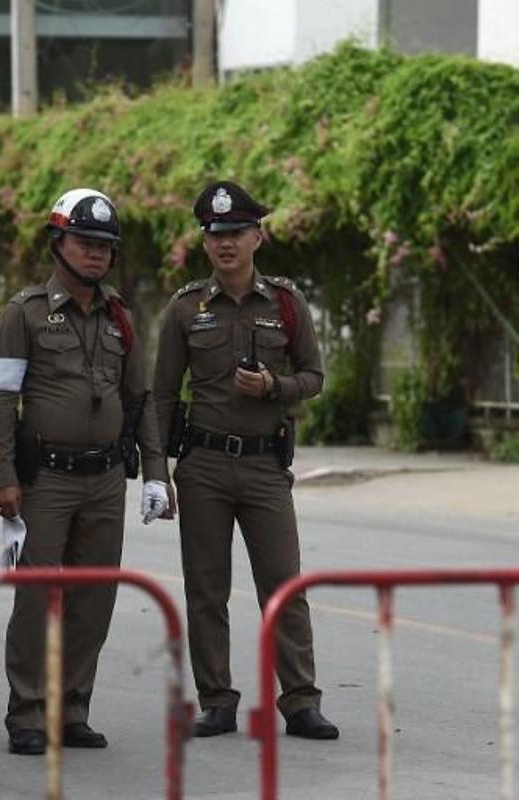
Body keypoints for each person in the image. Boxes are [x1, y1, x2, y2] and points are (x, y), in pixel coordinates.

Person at [151, 180, 339, 740]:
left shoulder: (285, 302)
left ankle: (300, 700)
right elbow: (162, 396)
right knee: (206, 591)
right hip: (203, 465)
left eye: (236, 232)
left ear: (258, 236)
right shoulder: (185, 308)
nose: (226, 243)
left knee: (283, 586)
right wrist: (157, 473)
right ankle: (217, 700)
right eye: (216, 234)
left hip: (264, 466)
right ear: (204, 241)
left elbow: (314, 377)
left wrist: (274, 386)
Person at [0, 188, 171, 756]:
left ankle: (71, 709)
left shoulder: (120, 317)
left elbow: (139, 400)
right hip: (46, 479)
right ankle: (26, 711)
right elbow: (2, 399)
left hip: (105, 478)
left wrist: (156, 473)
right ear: (57, 242)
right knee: (37, 598)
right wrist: (4, 475)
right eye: (85, 242)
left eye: (104, 246)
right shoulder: (24, 313)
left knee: (94, 599)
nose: (95, 254)